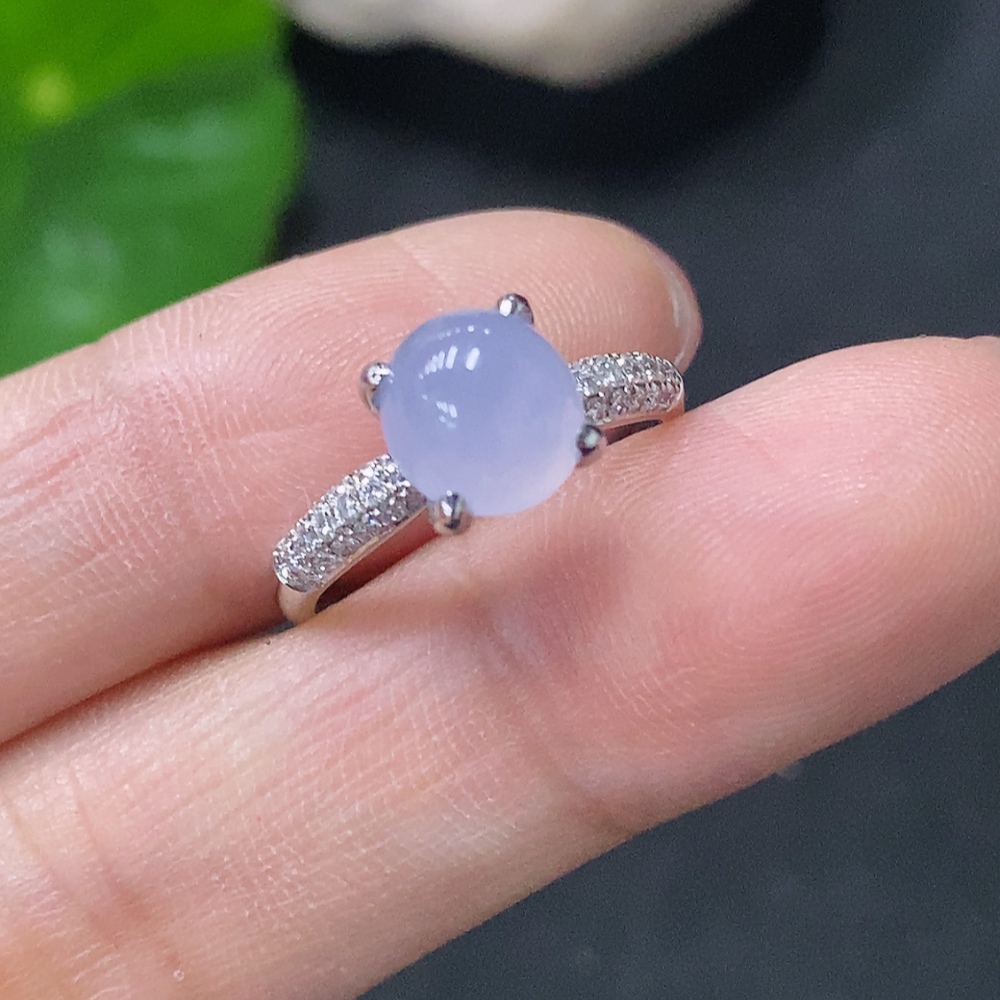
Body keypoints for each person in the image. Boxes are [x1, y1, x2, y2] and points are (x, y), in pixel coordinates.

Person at [1, 209, 998, 998]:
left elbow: (649, 388)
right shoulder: (432, 442)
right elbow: (300, 569)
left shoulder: (544, 401)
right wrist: (304, 595)